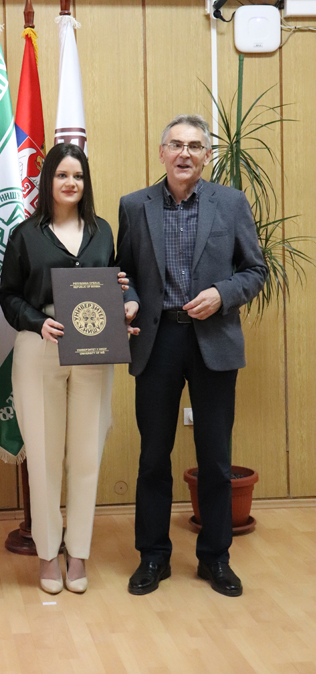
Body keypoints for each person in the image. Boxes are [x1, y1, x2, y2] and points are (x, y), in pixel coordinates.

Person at [117, 115, 267, 598]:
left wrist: (223, 294)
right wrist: (128, 299)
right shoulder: (133, 206)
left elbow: (255, 270)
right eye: (176, 145)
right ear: (162, 152)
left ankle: (215, 558)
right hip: (156, 341)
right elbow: (123, 273)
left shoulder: (231, 203)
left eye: (195, 146)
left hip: (212, 341)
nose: (185, 153)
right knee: (153, 457)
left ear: (207, 155)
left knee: (216, 458)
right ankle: (153, 556)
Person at [0, 143, 135, 594]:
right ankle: (46, 555)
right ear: (48, 181)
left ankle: (77, 554)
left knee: (86, 455)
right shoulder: (25, 235)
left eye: (78, 175)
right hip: (40, 346)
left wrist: (124, 301)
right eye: (62, 175)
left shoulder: (102, 231)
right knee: (42, 457)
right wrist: (37, 321)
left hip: (93, 348)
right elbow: (8, 296)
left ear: (86, 182)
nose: (70, 183)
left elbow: (116, 281)